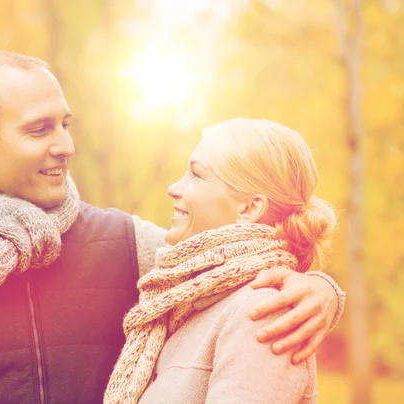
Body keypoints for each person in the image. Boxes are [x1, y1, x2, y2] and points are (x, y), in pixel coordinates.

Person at [0, 52, 344, 404]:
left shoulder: (131, 246)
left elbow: (229, 267)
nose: (65, 145)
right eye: (39, 129)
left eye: (65, 123)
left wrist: (320, 290)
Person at [104, 118, 340, 404]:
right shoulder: (187, 302)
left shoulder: (262, 313)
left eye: (197, 175)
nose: (173, 188)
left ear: (250, 207)